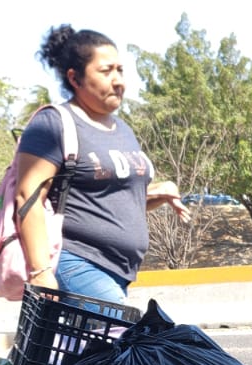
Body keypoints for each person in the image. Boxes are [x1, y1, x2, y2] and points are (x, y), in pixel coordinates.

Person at [15, 25, 188, 302]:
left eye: (120, 70)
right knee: (127, 335)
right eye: (106, 71)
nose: (118, 80)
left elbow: (108, 200)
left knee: (97, 345)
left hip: (118, 270)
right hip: (76, 261)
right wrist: (40, 272)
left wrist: (158, 192)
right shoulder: (53, 123)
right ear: (75, 77)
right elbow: (27, 196)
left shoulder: (122, 130)